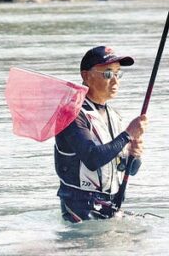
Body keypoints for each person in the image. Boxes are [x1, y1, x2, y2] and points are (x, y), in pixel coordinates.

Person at [54, 46, 147, 222]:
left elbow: (130, 170)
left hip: (110, 204)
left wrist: (135, 155)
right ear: (86, 76)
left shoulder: (115, 116)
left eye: (118, 74)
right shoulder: (71, 113)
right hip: (79, 208)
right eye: (107, 74)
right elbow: (92, 158)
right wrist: (127, 135)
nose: (115, 81)